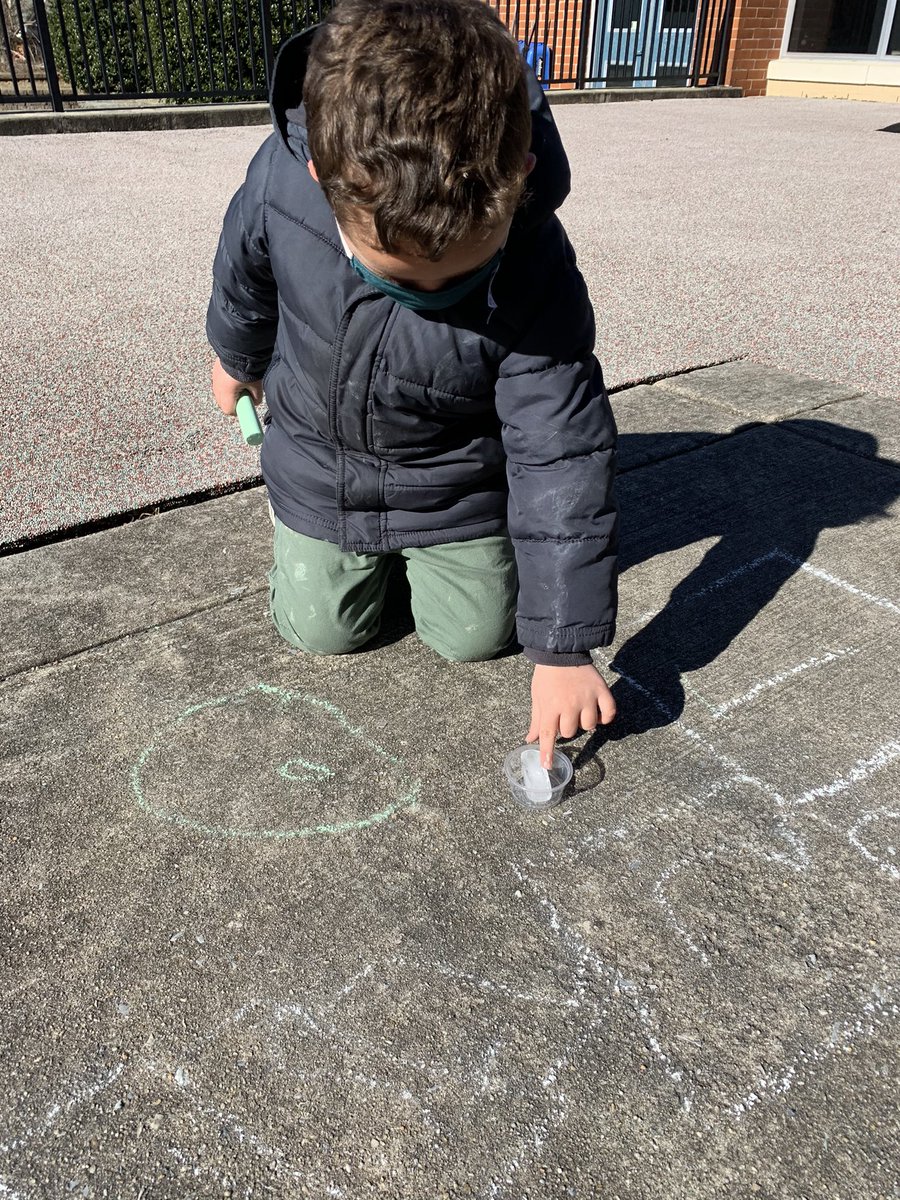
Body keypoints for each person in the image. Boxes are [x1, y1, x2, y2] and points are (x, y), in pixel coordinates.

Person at [207, 0, 618, 769]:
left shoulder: (534, 265)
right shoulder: (280, 183)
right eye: (399, 277)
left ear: (517, 180)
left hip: (450, 477)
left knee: (477, 638)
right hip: (319, 460)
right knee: (321, 631)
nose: (431, 295)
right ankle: (320, 549)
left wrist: (563, 647)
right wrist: (236, 358)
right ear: (321, 177)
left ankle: (418, 560)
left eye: (461, 276)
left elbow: (560, 450)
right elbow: (245, 277)